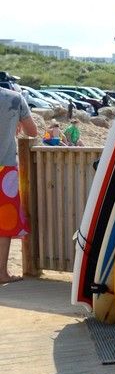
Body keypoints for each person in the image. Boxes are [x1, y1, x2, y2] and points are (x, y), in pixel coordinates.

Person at [0, 81, 38, 283]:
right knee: (4, 221)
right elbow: (32, 132)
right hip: (4, 169)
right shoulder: (14, 98)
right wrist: (15, 123)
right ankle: (1, 273)